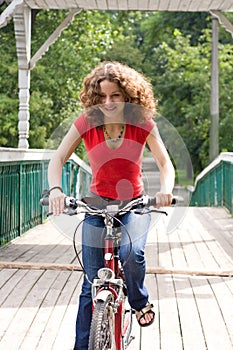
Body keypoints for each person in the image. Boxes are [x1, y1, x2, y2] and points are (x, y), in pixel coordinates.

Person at [48, 61, 175, 350]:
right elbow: (57, 160)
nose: (107, 102)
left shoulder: (143, 122)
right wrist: (56, 189)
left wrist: (165, 191)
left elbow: (166, 164)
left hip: (134, 204)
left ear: (128, 96)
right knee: (90, 285)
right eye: (102, 96)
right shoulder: (86, 122)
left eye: (115, 95)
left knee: (132, 253)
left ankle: (139, 300)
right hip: (96, 204)